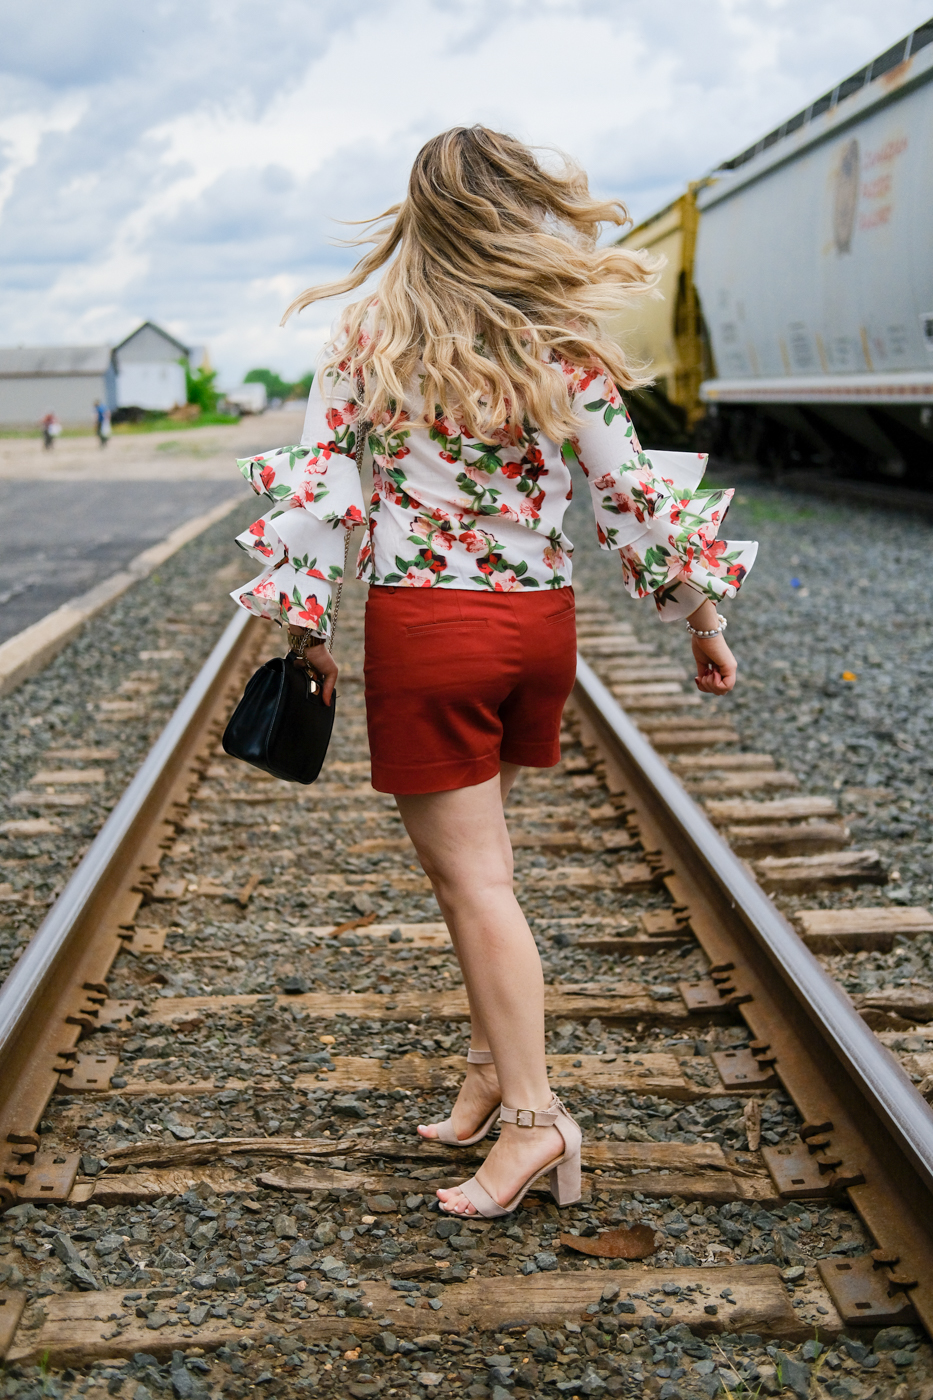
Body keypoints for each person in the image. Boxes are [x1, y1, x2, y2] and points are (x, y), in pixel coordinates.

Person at [229, 126, 757, 1218]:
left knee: (476, 881)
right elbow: (630, 495)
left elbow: (324, 494)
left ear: (418, 213)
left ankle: (532, 1117)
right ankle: (485, 1068)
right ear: (512, 212)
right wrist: (701, 612)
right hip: (538, 635)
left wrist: (306, 627)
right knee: (480, 869)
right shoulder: (554, 337)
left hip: (435, 633)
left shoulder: (368, 337)